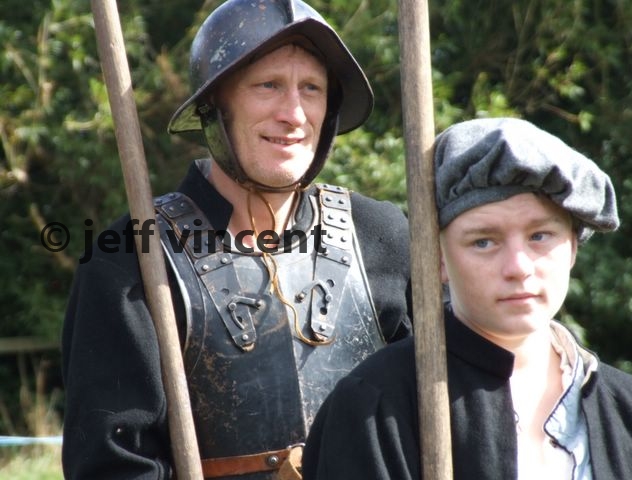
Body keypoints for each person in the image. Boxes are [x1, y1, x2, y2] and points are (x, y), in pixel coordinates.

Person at [61, 1, 412, 479]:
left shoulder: (381, 234)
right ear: (215, 105)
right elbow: (114, 467)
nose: (293, 113)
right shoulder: (131, 259)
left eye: (311, 88)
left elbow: (439, 410)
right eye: (268, 85)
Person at [302, 117, 632, 480]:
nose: (518, 267)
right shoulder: (373, 408)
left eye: (540, 236)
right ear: (438, 260)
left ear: (572, 246)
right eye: (484, 241)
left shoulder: (630, 409)